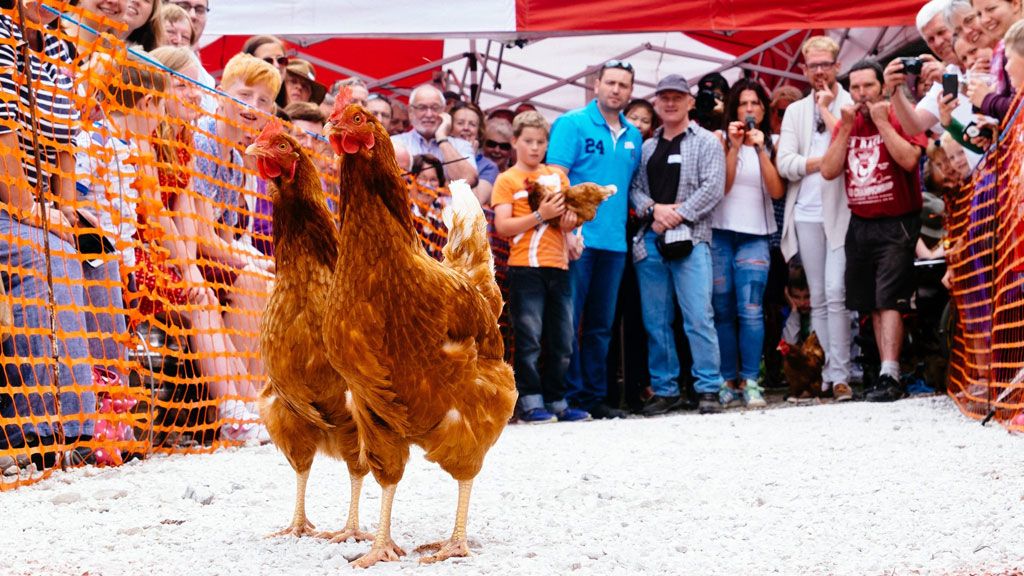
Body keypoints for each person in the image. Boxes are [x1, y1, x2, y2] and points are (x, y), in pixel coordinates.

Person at [0, 0, 96, 461]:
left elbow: (66, 149)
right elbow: (1, 135)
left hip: (39, 205)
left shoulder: (61, 49)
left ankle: (92, 426)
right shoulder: (1, 34)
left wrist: (65, 213)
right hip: (6, 202)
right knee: (45, 256)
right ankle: (37, 429)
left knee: (100, 259)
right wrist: (36, 212)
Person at [820, 60, 928, 402]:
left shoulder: (899, 114)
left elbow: (910, 160)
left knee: (890, 297)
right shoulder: (847, 123)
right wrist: (847, 129)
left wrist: (882, 123)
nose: (861, 94)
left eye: (868, 86)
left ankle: (891, 373)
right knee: (871, 303)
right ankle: (883, 371)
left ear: (882, 86)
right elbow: (828, 170)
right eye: (855, 88)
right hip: (861, 222)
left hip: (897, 218)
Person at [547, 60, 643, 419]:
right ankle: (567, 397)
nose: (617, 90)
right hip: (578, 240)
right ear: (596, 84)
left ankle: (593, 396)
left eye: (624, 85)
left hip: (615, 243)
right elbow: (555, 176)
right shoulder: (572, 124)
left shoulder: (634, 136)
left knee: (601, 326)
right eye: (611, 83)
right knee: (569, 323)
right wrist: (567, 231)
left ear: (631, 91)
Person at [629, 74, 726, 416]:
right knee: (656, 320)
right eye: (664, 98)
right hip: (651, 241)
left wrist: (677, 214)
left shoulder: (707, 142)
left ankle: (708, 387)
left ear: (689, 101)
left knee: (698, 316)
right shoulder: (648, 147)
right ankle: (666, 389)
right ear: (656, 103)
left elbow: (714, 187)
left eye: (677, 97)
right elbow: (635, 188)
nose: (670, 103)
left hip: (692, 239)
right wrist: (653, 210)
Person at [492, 112, 589, 423]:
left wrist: (573, 233)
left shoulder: (558, 177)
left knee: (562, 338)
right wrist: (540, 214)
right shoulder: (506, 180)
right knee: (530, 337)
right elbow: (503, 226)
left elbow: (567, 219)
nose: (535, 148)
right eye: (528, 141)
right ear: (514, 142)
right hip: (525, 268)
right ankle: (532, 401)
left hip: (559, 265)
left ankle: (557, 400)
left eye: (541, 142)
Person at [776, 35, 855, 402]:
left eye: (826, 64)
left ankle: (842, 373)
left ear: (838, 66)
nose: (820, 71)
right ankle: (824, 373)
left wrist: (828, 110)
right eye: (813, 66)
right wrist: (821, 164)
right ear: (804, 70)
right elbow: (785, 163)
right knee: (820, 296)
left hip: (843, 210)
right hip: (805, 211)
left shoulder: (850, 103)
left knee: (838, 291)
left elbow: (852, 150)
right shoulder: (794, 112)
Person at [192, 53, 277, 378]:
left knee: (272, 285)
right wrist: (252, 265)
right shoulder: (203, 139)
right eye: (244, 95)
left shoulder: (237, 159)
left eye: (263, 100)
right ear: (219, 93)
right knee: (254, 281)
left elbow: (226, 238)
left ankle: (254, 399)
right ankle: (238, 407)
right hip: (181, 254)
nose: (253, 105)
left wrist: (264, 263)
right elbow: (200, 237)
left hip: (210, 258)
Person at [711, 79, 786, 408]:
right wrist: (735, 147)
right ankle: (729, 379)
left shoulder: (773, 142)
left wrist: (759, 149)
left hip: (755, 234)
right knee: (723, 310)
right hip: (720, 233)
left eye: (755, 103)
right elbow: (722, 187)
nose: (750, 109)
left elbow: (777, 191)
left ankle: (752, 379)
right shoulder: (719, 140)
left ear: (764, 108)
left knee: (752, 310)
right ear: (733, 108)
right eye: (743, 104)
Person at [391, 83, 478, 185]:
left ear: (444, 111)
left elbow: (468, 180)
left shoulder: (461, 145)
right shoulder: (394, 143)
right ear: (410, 111)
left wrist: (442, 138)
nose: (429, 114)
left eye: (435, 108)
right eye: (422, 107)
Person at [450, 102, 499, 204]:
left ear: (479, 131)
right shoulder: (441, 150)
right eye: (460, 123)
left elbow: (474, 202)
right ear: (450, 128)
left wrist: (468, 155)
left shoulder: (489, 167)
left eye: (472, 124)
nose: (466, 128)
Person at [241, 35, 289, 109]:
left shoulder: (289, 108)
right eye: (267, 61)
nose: (276, 65)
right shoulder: (239, 105)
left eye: (281, 60)